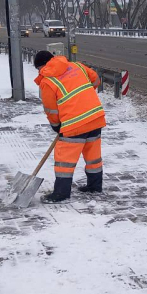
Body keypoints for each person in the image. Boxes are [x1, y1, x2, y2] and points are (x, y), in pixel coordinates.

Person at [34, 50, 106, 203]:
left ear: (41, 66)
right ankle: (94, 186)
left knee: (64, 161)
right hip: (95, 117)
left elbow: (51, 109)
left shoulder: (47, 81)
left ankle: (61, 194)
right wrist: (82, 97)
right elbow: (95, 80)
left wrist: (56, 125)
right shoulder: (76, 66)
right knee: (93, 156)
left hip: (74, 124)